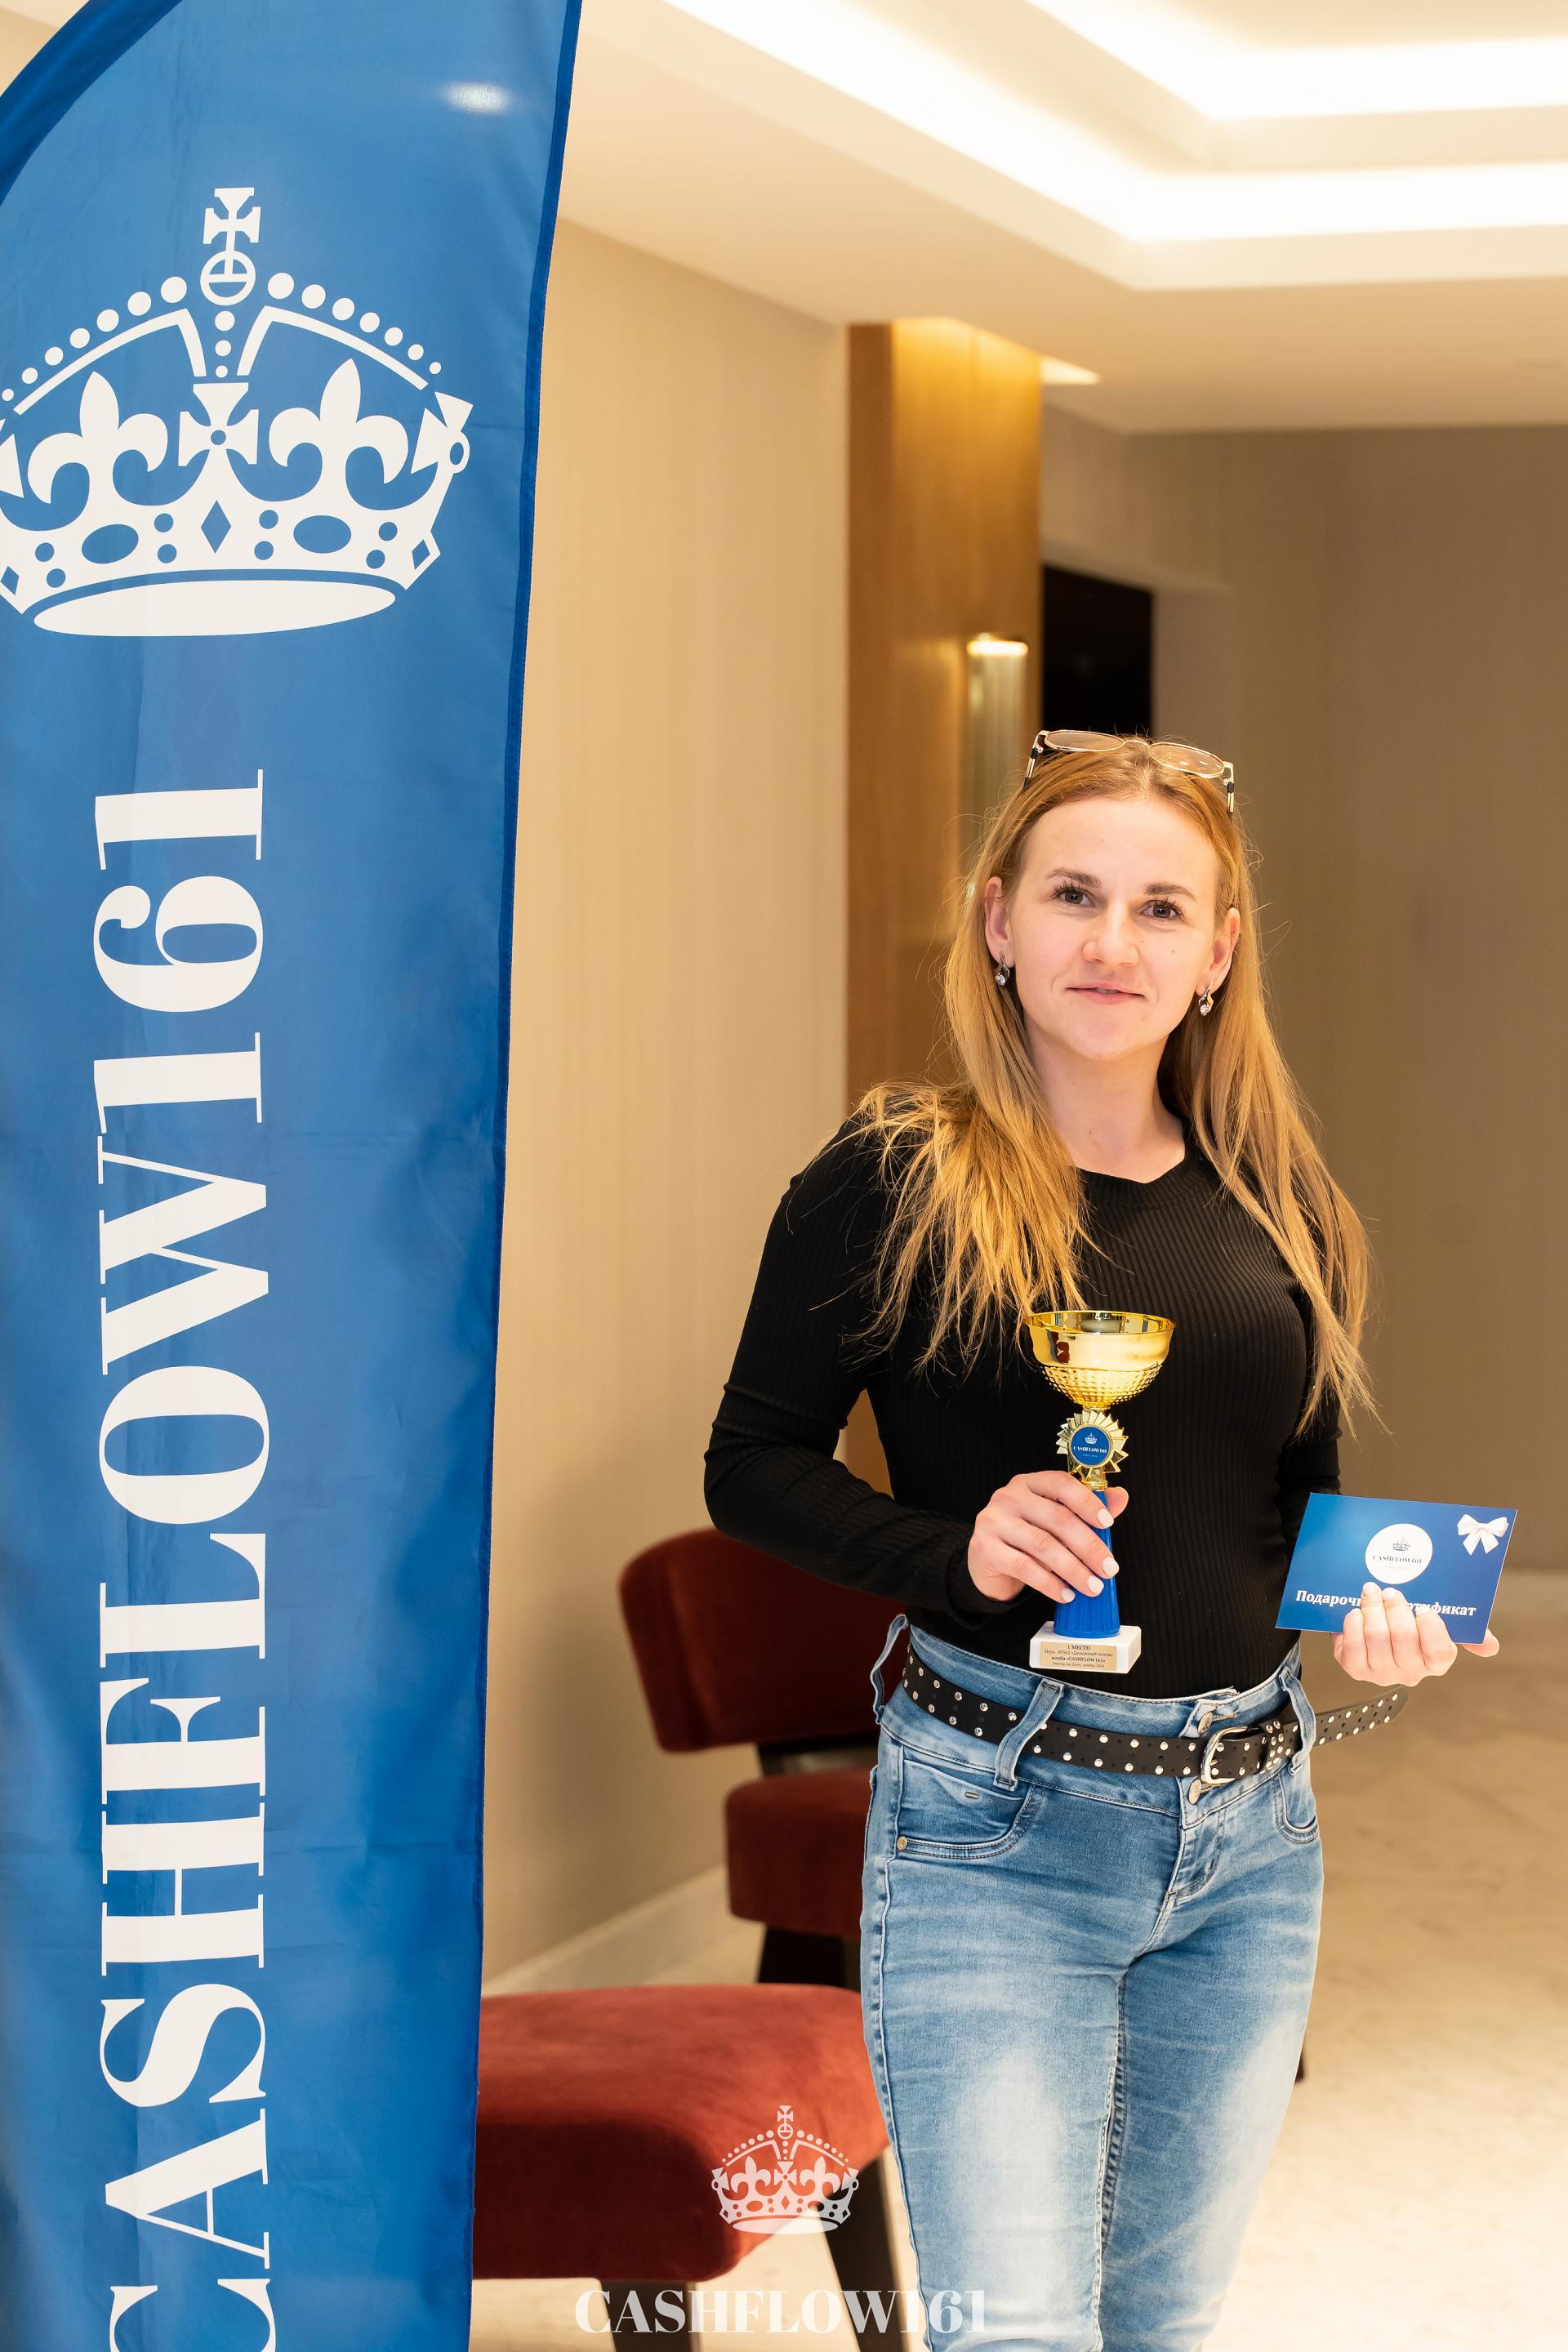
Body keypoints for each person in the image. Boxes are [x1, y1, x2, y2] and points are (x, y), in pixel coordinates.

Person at [703, 730, 1499, 2352]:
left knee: (1162, 2326)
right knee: (1016, 2332)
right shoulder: (889, 1179)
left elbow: (1287, 1508)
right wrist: (958, 1553)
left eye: (1160, 908)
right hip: (993, 1822)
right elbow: (751, 1466)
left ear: (1218, 955)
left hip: (1252, 1834)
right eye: (1073, 895)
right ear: (999, 920)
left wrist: (1378, 1610)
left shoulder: (1280, 1203)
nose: (1112, 942)